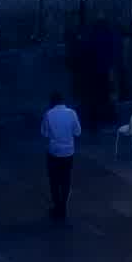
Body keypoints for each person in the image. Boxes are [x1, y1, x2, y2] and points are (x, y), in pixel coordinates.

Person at [40, 92, 81, 222]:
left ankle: (57, 205)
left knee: (54, 180)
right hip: (68, 152)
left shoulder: (48, 114)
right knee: (66, 179)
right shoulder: (72, 113)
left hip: (54, 152)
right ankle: (63, 206)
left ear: (52, 102)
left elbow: (44, 133)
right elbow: (78, 132)